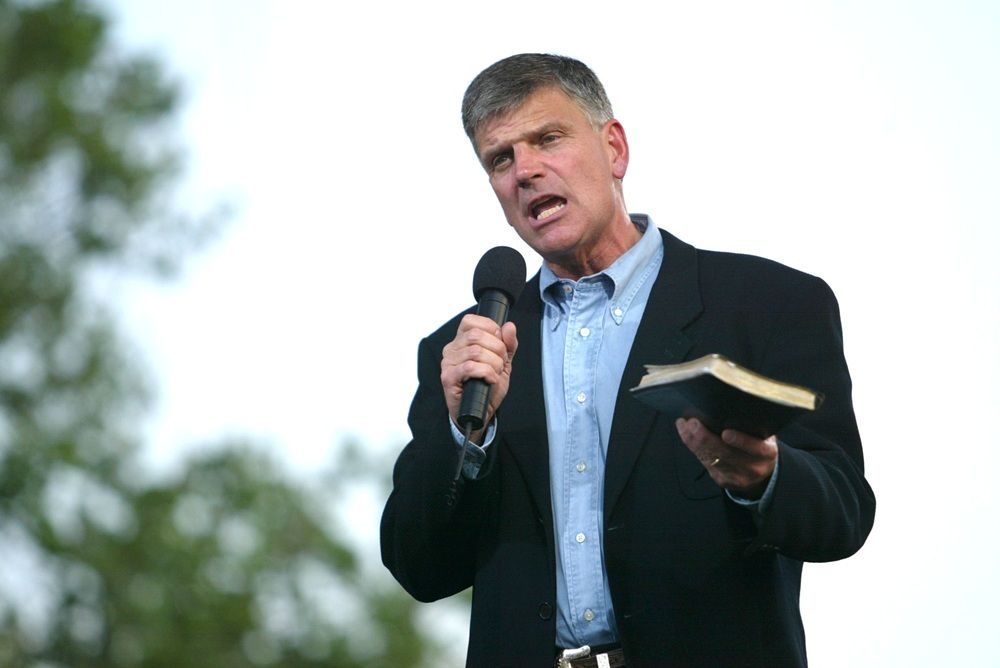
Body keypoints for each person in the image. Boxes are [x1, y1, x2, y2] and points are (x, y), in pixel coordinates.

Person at [381, 53, 875, 668]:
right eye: (499, 159)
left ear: (614, 148)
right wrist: (463, 433)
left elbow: (844, 515)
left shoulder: (767, 305)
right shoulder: (463, 353)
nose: (525, 171)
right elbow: (419, 567)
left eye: (547, 139)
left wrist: (764, 480)